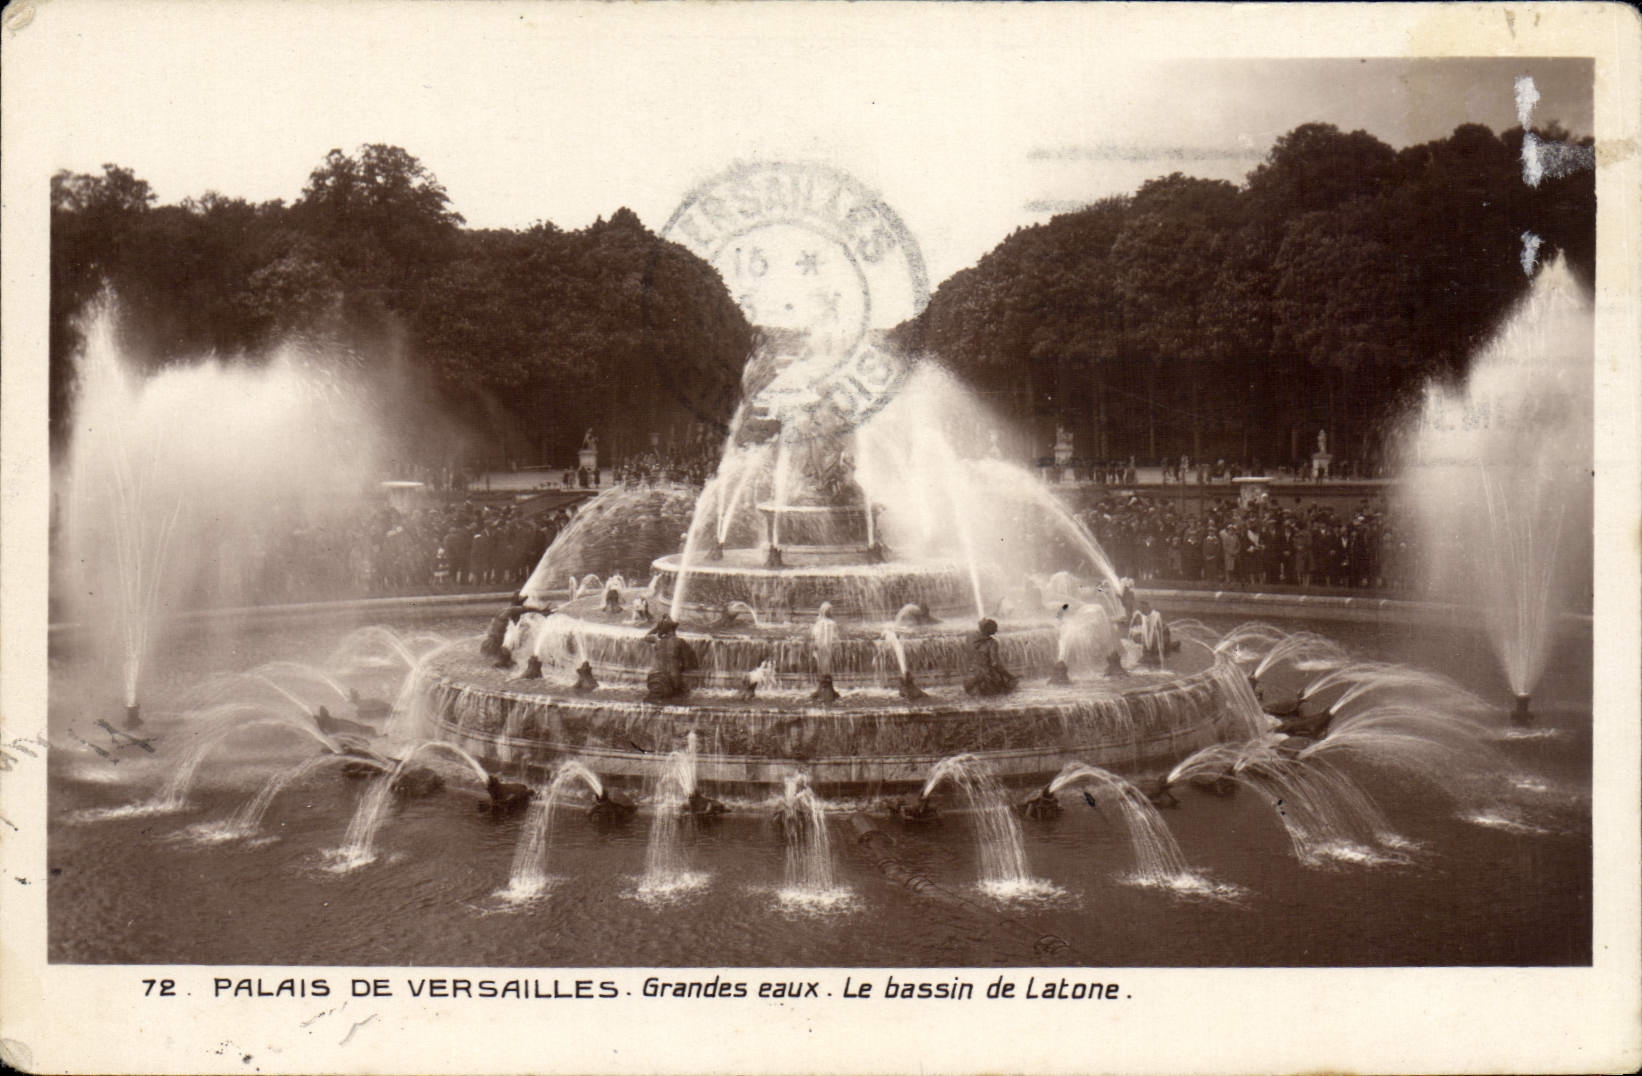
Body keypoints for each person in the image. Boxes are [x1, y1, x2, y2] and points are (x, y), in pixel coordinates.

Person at [644, 616, 697, 702]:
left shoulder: (657, 640)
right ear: (674, 629)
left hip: (655, 677)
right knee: (681, 698)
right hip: (673, 679)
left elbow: (646, 636)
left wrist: (657, 627)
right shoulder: (680, 642)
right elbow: (688, 663)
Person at [964, 618, 1019, 697]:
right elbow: (995, 664)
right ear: (989, 630)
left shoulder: (970, 637)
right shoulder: (992, 643)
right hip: (986, 681)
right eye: (995, 628)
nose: (996, 630)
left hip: (969, 679)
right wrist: (1010, 676)